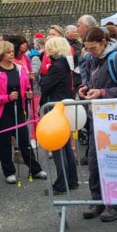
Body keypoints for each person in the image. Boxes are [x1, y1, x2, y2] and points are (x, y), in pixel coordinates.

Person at [79, 27, 117, 222]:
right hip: (97, 117)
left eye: (93, 48)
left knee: (113, 161)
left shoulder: (116, 58)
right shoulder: (91, 59)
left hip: (114, 120)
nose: (89, 52)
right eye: (87, 48)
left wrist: (102, 93)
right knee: (94, 160)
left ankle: (116, 203)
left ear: (104, 42)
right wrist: (85, 89)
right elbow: (92, 82)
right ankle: (98, 200)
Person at [0, 41, 47, 184]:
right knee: (5, 144)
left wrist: (28, 94)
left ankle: (35, 169)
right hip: (2, 113)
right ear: (0, 55)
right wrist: (7, 98)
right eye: (8, 52)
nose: (11, 54)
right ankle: (9, 172)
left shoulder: (19, 69)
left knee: (24, 141)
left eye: (12, 51)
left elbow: (26, 87)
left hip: (19, 110)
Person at [39, 37, 79, 196]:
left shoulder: (57, 66)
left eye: (49, 48)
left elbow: (44, 86)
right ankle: (72, 180)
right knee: (65, 146)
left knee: (58, 147)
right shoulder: (65, 63)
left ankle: (62, 183)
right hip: (62, 107)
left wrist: (42, 78)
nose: (46, 52)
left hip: (56, 108)